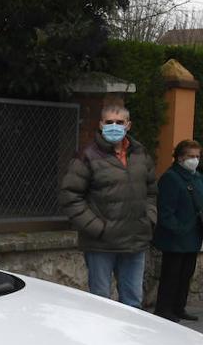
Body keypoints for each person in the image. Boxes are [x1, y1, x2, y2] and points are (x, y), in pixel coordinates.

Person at [59, 101, 156, 308]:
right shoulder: (87, 156)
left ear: (128, 125)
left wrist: (149, 219)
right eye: (109, 121)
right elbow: (70, 196)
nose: (115, 126)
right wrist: (98, 228)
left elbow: (152, 192)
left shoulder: (140, 154)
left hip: (135, 240)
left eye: (119, 122)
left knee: (133, 303)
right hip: (101, 244)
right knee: (100, 303)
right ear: (101, 124)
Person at [152, 139, 202, 322]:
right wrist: (178, 228)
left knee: (185, 275)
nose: (195, 160)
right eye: (191, 156)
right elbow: (165, 211)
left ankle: (178, 307)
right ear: (180, 157)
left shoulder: (197, 177)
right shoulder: (171, 178)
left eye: (197, 156)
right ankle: (164, 309)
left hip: (193, 236)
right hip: (174, 237)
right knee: (171, 275)